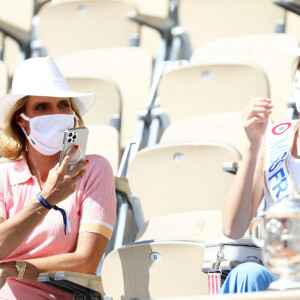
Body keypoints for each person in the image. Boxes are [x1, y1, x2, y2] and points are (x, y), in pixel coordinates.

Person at [0, 56, 116, 299]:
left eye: (64, 104)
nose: (57, 113)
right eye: (42, 107)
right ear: (21, 119)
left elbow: (86, 261)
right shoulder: (3, 176)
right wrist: (44, 200)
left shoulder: (93, 169)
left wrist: (16, 269)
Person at [218, 60, 300, 293]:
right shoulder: (278, 141)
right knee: (247, 274)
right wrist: (253, 146)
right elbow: (233, 228)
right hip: (280, 275)